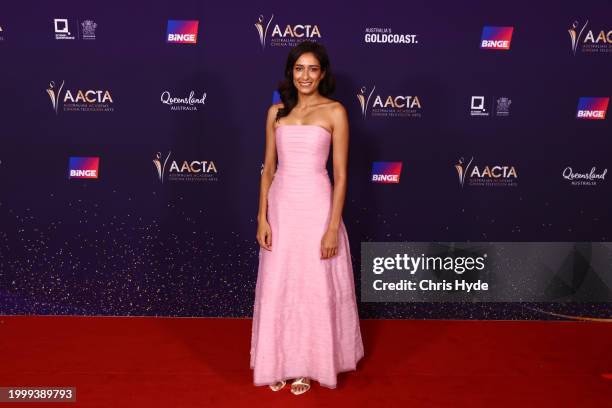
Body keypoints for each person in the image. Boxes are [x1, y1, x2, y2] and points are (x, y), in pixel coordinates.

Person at [250, 40, 364, 395]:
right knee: (279, 284)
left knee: (312, 287)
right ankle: (278, 361)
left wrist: (332, 227)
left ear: (323, 73)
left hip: (317, 208)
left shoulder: (335, 112)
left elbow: (341, 175)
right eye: (299, 68)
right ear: (291, 72)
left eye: (313, 69)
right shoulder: (276, 112)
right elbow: (268, 169)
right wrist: (262, 218)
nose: (305, 75)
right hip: (282, 207)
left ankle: (308, 365)